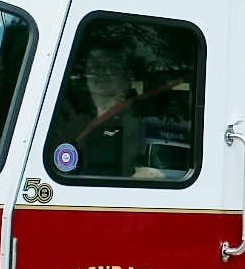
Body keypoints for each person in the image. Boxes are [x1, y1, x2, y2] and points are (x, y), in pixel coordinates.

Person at [49, 45, 164, 180]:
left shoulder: (145, 117)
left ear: (128, 77)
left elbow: (160, 167)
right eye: (94, 67)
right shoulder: (64, 116)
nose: (102, 73)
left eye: (112, 66)